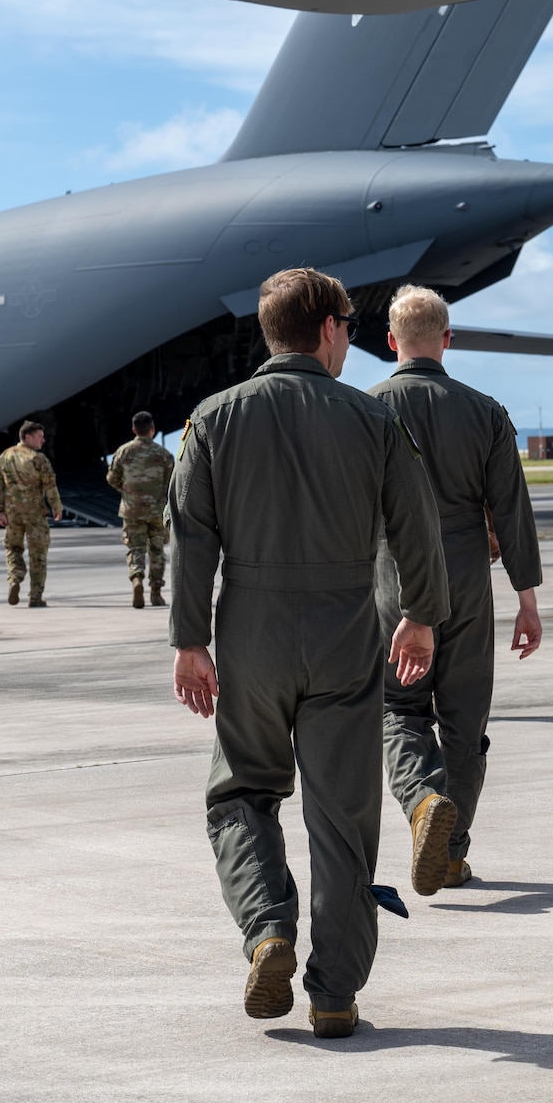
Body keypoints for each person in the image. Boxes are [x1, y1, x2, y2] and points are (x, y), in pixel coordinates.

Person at [169, 267, 448, 1040]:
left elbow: (190, 538)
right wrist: (420, 617)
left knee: (241, 795)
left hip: (250, 633)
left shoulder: (215, 418)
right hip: (344, 629)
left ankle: (266, 931)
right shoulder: (371, 421)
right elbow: (416, 527)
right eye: (349, 328)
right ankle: (334, 994)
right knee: (343, 818)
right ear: (326, 328)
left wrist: (189, 640)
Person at [368, 286, 543, 895]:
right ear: (448, 338)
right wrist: (526, 596)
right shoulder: (486, 412)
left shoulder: (366, 408)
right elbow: (512, 509)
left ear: (390, 341)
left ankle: (420, 803)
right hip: (468, 573)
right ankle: (449, 852)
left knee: (397, 709)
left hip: (394, 578)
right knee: (465, 723)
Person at [107, 411, 176, 609]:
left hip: (131, 510)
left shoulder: (123, 451)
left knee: (135, 548)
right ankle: (156, 593)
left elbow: (112, 478)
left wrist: (128, 491)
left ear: (134, 429)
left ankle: (136, 578)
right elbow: (172, 482)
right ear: (152, 430)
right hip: (156, 510)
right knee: (157, 551)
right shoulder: (163, 454)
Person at [0, 420, 63, 607]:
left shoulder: (5, 457)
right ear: (28, 437)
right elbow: (50, 485)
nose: (44, 440)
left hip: (13, 515)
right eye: (40, 437)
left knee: (13, 548)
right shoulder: (38, 459)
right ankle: (35, 597)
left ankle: (15, 579)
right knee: (38, 554)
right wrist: (56, 507)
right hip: (35, 515)